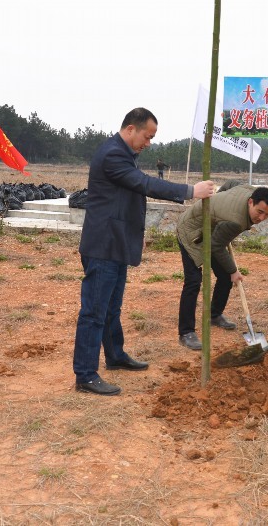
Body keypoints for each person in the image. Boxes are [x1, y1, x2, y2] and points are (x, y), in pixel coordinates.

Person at [74, 107, 214, 396]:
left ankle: (115, 355)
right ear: (131, 130)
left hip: (115, 243)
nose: (148, 143)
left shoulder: (124, 155)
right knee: (94, 312)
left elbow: (126, 198)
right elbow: (145, 184)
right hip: (103, 246)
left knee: (111, 308)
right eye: (147, 137)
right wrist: (190, 191)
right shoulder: (113, 155)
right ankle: (86, 375)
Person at [176, 183, 268, 350]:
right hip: (191, 232)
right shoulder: (235, 221)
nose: (261, 218)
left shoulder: (248, 190)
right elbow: (216, 247)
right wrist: (234, 271)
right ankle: (186, 332)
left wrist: (218, 203)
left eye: (267, 214)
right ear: (250, 201)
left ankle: (214, 315)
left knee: (224, 276)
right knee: (193, 281)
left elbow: (231, 183)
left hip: (213, 230)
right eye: (260, 212)